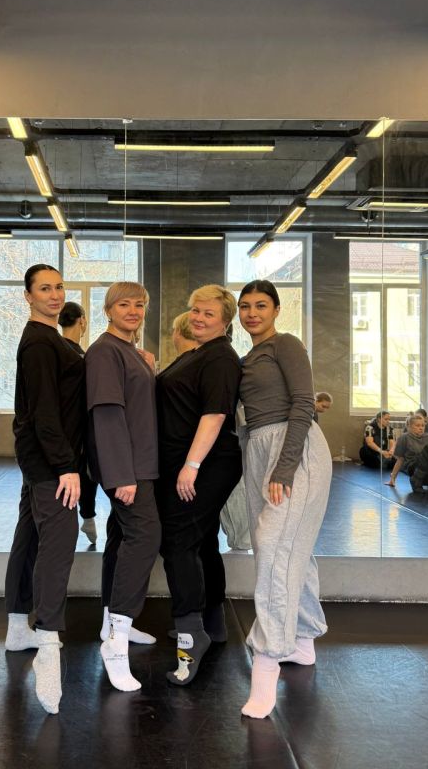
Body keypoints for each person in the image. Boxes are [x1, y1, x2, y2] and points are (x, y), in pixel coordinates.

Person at [238, 279, 331, 719]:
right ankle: (303, 640)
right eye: (245, 306)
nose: (252, 313)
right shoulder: (246, 358)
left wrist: (284, 466)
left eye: (261, 305)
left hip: (293, 452)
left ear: (276, 309)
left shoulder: (285, 344)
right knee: (294, 550)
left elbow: (303, 404)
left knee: (275, 549)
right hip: (259, 449)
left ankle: (267, 662)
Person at [4, 263, 85, 715]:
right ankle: (48, 645)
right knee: (59, 541)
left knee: (30, 535)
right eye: (44, 289)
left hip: (38, 457)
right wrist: (65, 466)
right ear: (28, 296)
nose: (54, 295)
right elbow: (45, 412)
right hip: (49, 461)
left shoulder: (49, 338)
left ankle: (18, 626)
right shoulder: (39, 342)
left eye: (59, 287)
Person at [157, 285, 242, 685]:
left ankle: (191, 637)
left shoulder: (221, 358)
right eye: (195, 310)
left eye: (208, 313)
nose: (199, 318)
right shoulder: (199, 353)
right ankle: (213, 623)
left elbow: (214, 415)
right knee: (203, 539)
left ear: (225, 320)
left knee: (178, 542)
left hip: (205, 464)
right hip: (188, 462)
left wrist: (191, 465)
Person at [85, 281, 161, 693]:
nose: (133, 310)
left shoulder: (131, 351)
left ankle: (111, 624)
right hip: (127, 469)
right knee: (145, 537)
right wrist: (121, 475)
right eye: (124, 304)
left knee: (121, 538)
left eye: (139, 304)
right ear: (108, 310)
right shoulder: (104, 352)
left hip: (141, 465)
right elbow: (107, 416)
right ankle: (115, 643)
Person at [58, 301, 98, 545]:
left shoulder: (57, 350)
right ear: (82, 321)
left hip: (64, 427)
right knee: (85, 471)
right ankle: (87, 516)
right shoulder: (81, 357)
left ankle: (86, 517)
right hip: (78, 427)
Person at [385, 413, 428, 492]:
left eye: (423, 425)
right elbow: (400, 460)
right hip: (414, 468)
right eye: (417, 425)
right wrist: (393, 478)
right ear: (409, 426)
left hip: (427, 472)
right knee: (427, 449)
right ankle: (416, 481)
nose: (421, 428)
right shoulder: (404, 438)